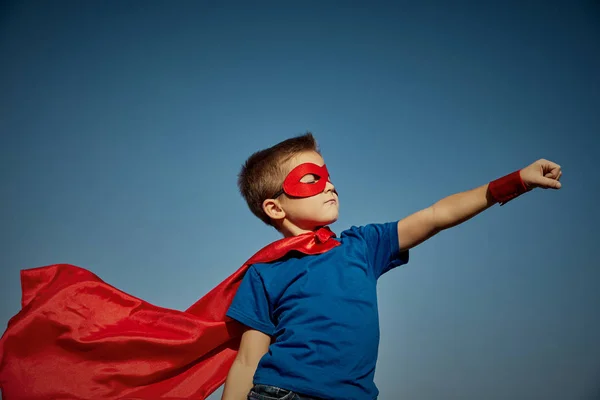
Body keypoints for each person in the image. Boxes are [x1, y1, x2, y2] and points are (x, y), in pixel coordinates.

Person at [220, 133, 562, 400]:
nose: (331, 185)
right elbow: (249, 360)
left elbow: (435, 216)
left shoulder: (363, 246)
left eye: (328, 175)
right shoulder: (264, 272)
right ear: (275, 208)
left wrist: (516, 181)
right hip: (281, 393)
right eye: (311, 179)